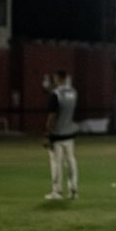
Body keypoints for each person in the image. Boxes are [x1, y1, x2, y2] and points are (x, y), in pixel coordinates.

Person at [43, 69, 79, 200]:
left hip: (57, 134)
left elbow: (52, 116)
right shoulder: (73, 92)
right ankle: (73, 190)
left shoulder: (55, 94)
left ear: (57, 78)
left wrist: (47, 134)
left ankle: (57, 191)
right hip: (69, 132)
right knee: (71, 161)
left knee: (56, 163)